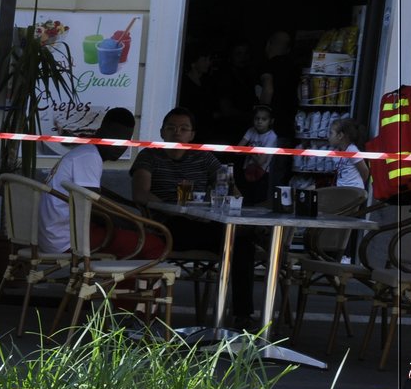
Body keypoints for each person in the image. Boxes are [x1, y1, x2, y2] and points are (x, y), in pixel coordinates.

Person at [131, 107, 256, 324]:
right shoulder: (149, 155)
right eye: (171, 128)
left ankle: (242, 315)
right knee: (222, 237)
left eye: (183, 128)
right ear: (161, 132)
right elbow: (140, 193)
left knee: (243, 244)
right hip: (166, 226)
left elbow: (231, 189)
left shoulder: (203, 157)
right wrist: (171, 208)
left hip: (202, 224)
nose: (177, 132)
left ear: (192, 134)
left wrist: (218, 199)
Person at [37, 106, 140, 255]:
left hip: (56, 236)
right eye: (115, 137)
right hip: (66, 241)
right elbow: (92, 208)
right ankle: (114, 278)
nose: (120, 145)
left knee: (131, 236)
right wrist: (135, 224)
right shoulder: (89, 157)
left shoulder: (86, 152)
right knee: (147, 243)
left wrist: (129, 206)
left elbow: (98, 194)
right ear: (100, 131)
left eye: (126, 140)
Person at [237, 104, 279, 206]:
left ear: (271, 121)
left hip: (262, 174)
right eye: (257, 118)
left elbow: (261, 162)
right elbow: (237, 149)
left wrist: (249, 150)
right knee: (245, 201)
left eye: (264, 119)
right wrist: (253, 152)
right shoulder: (251, 130)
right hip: (247, 171)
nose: (259, 121)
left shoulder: (272, 137)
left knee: (258, 203)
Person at [327, 117, 369, 195]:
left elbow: (365, 171)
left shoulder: (352, 150)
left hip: (353, 191)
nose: (328, 136)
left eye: (331, 133)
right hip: (342, 190)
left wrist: (357, 185)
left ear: (340, 135)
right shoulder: (336, 152)